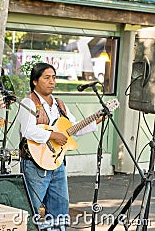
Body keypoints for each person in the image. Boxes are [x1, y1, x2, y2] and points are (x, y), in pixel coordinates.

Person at [18, 63, 101, 228]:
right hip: (35, 164)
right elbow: (28, 131)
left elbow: (73, 129)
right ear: (35, 81)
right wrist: (52, 135)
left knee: (60, 208)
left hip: (57, 162)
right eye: (46, 78)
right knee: (31, 208)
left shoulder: (59, 104)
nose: (52, 82)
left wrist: (97, 119)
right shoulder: (29, 102)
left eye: (54, 77)